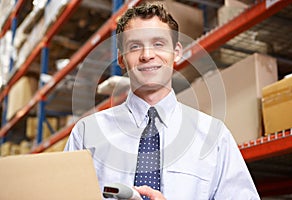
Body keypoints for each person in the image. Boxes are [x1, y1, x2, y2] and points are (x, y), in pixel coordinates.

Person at [64, 2, 260, 199]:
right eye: (134, 46)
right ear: (121, 59)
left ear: (176, 52)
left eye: (158, 44)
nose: (147, 55)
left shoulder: (215, 137)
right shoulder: (86, 135)